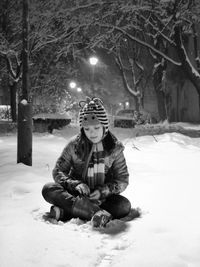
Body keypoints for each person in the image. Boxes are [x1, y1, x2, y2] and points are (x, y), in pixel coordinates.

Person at [42, 97, 131, 228]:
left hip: (103, 199)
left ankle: (66, 212)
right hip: (77, 194)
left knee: (124, 206)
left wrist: (103, 191)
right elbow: (58, 171)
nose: (92, 133)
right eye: (87, 129)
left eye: (96, 127)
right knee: (48, 189)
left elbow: (122, 180)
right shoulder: (74, 145)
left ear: (104, 127)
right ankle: (95, 213)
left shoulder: (114, 148)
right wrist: (75, 185)